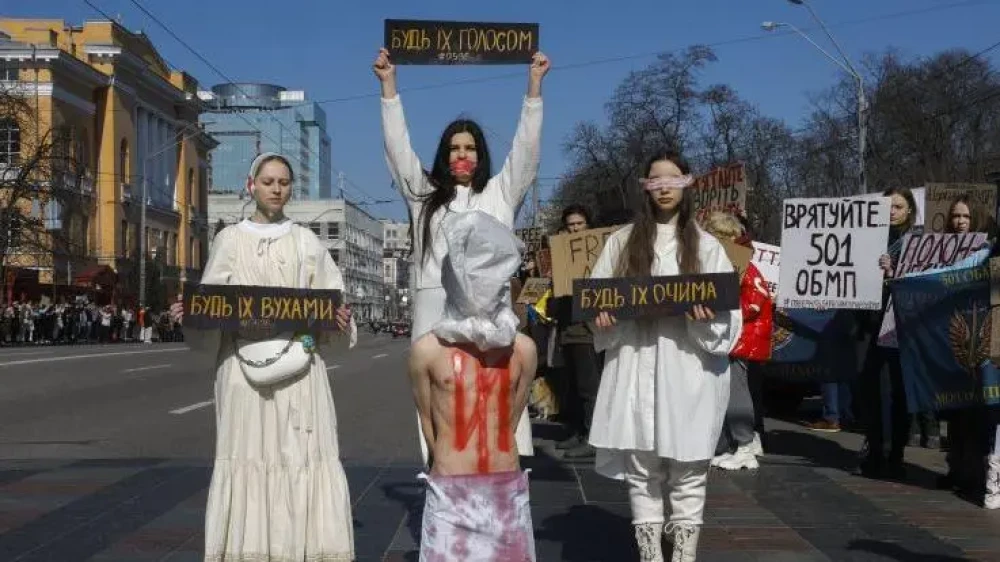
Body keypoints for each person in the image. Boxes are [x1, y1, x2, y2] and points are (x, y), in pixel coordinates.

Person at [169, 152, 357, 561]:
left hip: (300, 371)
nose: (276, 189)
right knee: (247, 456)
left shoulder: (306, 242)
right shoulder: (229, 240)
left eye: (283, 183)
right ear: (251, 185)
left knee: (300, 455)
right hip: (242, 371)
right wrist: (192, 316)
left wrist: (340, 321)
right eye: (268, 181)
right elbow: (212, 307)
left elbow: (331, 304)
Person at [374, 46, 549, 464]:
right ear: (444, 154)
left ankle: (500, 478)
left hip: (489, 313)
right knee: (442, 401)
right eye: (454, 148)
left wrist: (534, 88)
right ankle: (440, 476)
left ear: (480, 154)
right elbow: (398, 151)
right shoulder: (423, 196)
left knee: (493, 398)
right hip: (435, 309)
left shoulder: (500, 194)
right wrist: (388, 88)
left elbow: (526, 151)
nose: (462, 155)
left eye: (470, 147)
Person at [588, 150, 742, 562]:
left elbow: (728, 319)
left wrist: (705, 320)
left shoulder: (707, 246)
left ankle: (684, 555)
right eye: (655, 180)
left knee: (689, 468)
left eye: (673, 179)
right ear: (644, 188)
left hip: (689, 369)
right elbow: (598, 299)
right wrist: (604, 319)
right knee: (642, 468)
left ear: (687, 185)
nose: (664, 188)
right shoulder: (621, 242)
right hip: (635, 365)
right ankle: (651, 555)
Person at [408, 211, 537, 561]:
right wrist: (446, 465)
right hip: (450, 491)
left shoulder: (523, 350)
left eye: (492, 272)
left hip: (505, 487)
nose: (482, 285)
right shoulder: (427, 351)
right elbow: (427, 420)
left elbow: (511, 416)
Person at [858, 187, 919, 480]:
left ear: (910, 210)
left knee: (899, 390)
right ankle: (875, 449)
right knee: (871, 389)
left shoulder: (916, 243)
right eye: (888, 206)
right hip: (870, 323)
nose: (892, 212)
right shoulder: (867, 238)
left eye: (898, 206)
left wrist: (893, 272)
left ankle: (896, 454)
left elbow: (921, 282)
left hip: (901, 326)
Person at [701, 211, 769, 471]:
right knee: (727, 392)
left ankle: (745, 445)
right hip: (731, 337)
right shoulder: (730, 263)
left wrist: (723, 310)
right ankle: (739, 444)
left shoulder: (742, 265)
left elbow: (755, 300)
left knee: (735, 393)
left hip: (740, 338)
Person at [547, 204, 604, 459]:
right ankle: (579, 431)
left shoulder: (598, 253)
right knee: (574, 384)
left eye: (579, 224)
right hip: (568, 327)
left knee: (589, 385)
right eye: (570, 225)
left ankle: (594, 437)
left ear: (588, 225)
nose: (575, 229)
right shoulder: (561, 255)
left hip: (587, 329)